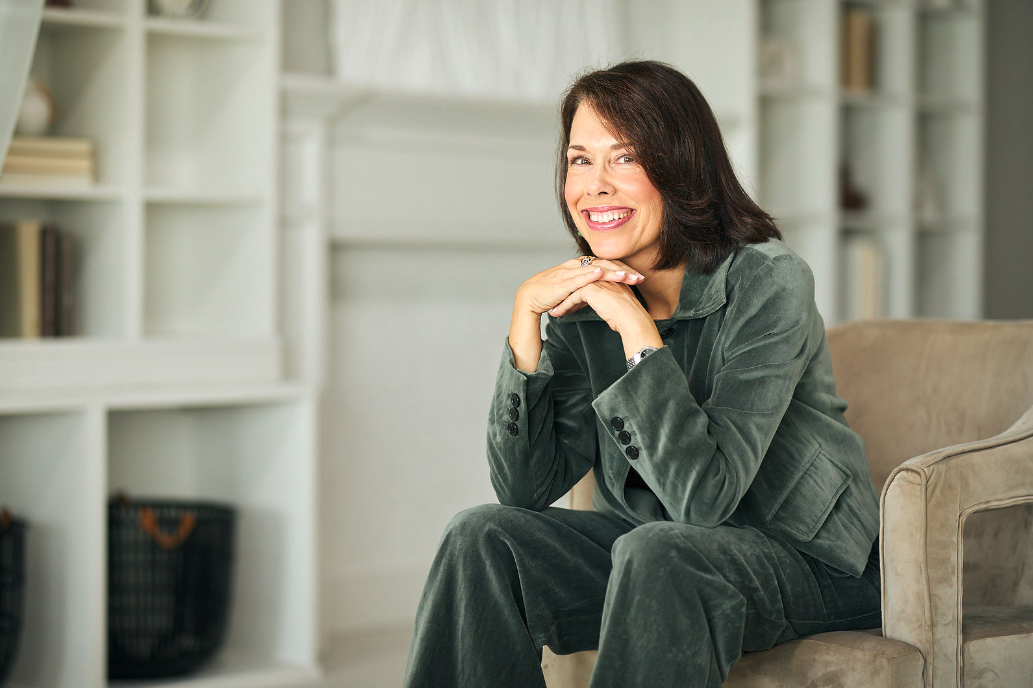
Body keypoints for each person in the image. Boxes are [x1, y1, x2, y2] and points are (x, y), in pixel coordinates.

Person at [402, 60, 882, 688]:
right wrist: (525, 323)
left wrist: (636, 331)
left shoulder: (768, 279)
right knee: (481, 537)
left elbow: (703, 500)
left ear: (681, 170)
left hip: (809, 560)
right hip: (653, 547)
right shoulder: (587, 300)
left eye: (625, 158)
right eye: (580, 160)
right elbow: (523, 489)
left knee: (658, 547)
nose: (595, 187)